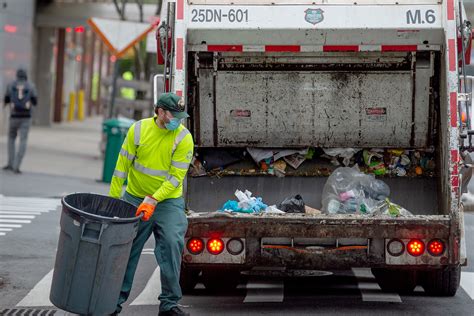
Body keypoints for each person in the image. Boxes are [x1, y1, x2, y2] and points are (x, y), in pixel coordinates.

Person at [109, 92, 194, 316]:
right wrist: (114, 199)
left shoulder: (184, 138)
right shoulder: (138, 130)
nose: (177, 120)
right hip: (135, 198)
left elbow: (176, 177)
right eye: (173, 115)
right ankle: (111, 303)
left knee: (172, 243)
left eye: (180, 116)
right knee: (125, 250)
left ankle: (169, 304)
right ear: (160, 112)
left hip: (167, 201)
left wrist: (154, 199)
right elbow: (122, 165)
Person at [3, 68, 37, 174]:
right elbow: (35, 101)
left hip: (14, 116)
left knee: (11, 139)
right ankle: (17, 165)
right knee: (23, 140)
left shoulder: (11, 85)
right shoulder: (31, 86)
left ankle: (10, 163)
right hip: (26, 117)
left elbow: (6, 100)